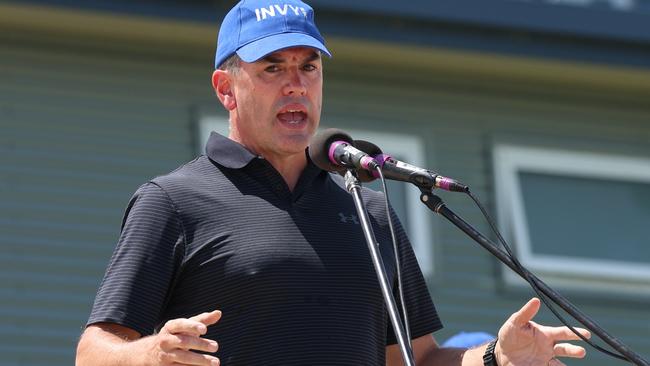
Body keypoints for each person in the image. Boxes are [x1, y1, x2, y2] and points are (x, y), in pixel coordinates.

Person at [75, 0, 591, 365]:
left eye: (309, 66)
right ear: (226, 89)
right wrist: (150, 355)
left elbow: (417, 359)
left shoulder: (370, 213)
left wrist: (497, 357)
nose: (296, 83)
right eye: (273, 68)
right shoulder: (173, 201)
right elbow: (93, 351)